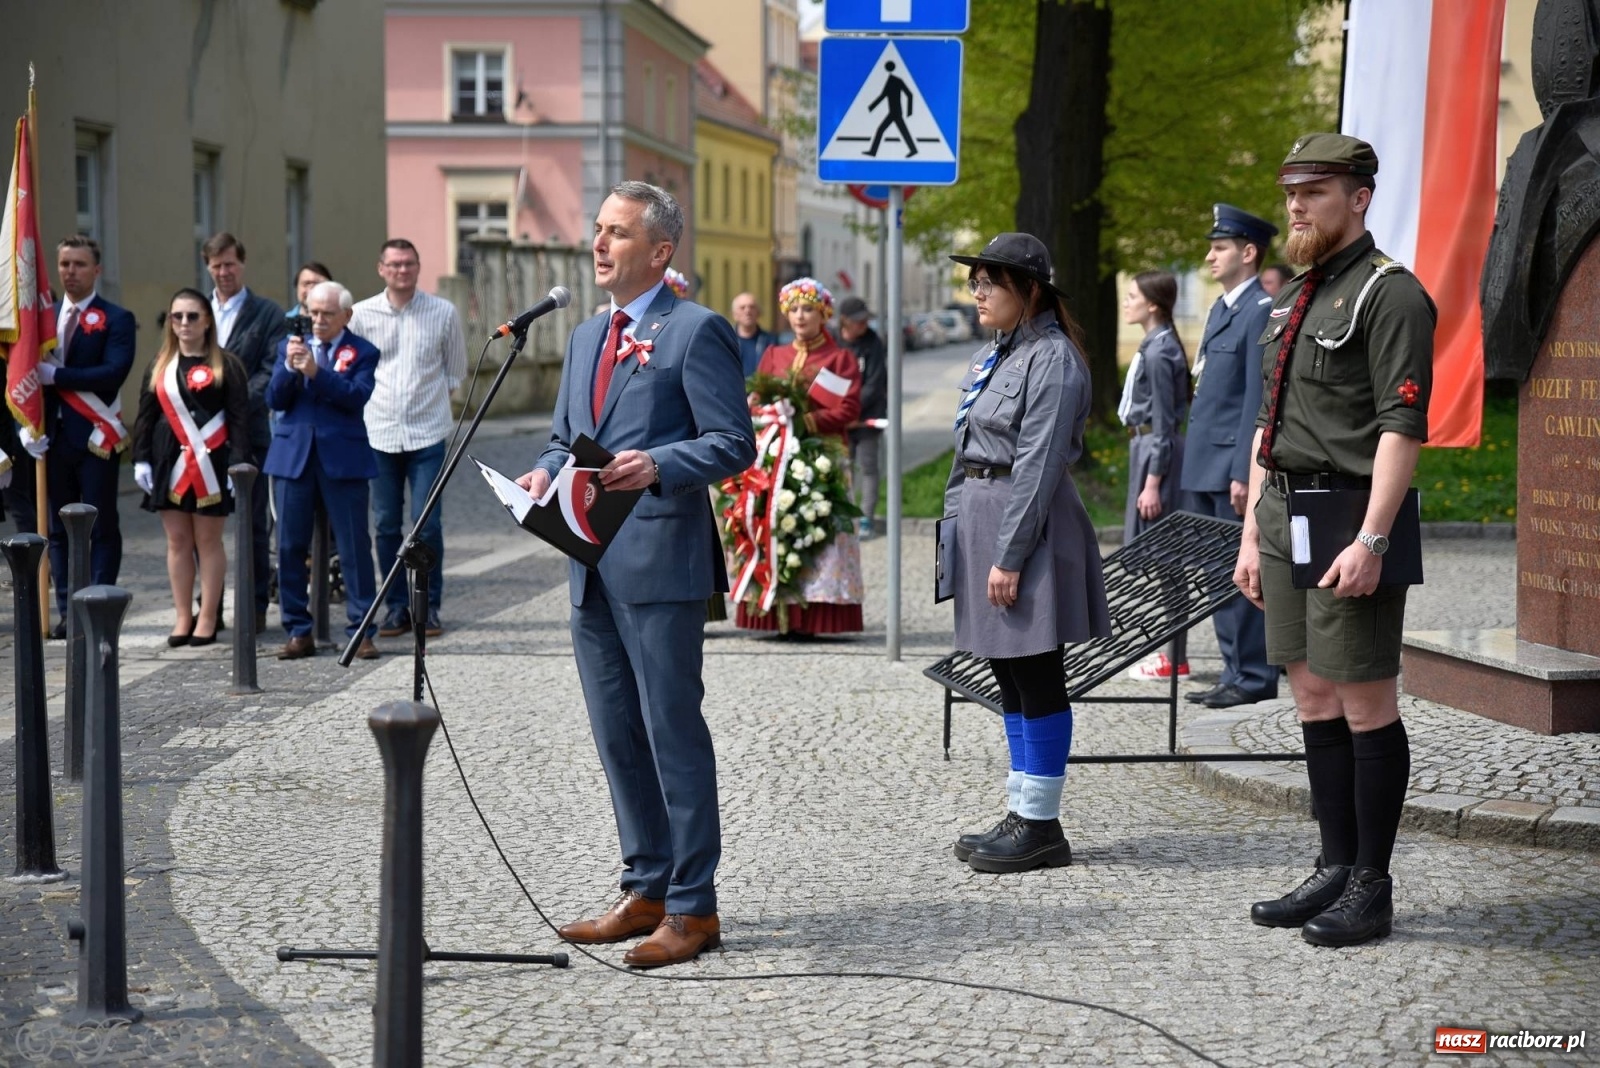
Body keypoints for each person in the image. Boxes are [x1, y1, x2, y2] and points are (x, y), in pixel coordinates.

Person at [514, 181, 755, 968]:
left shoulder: (694, 331)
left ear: (659, 251)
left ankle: (694, 908)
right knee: (616, 735)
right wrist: (541, 475)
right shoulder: (585, 336)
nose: (598, 243)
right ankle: (644, 886)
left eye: (616, 232)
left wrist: (656, 463)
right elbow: (564, 438)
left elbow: (730, 443)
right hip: (588, 562)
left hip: (660, 562)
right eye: (597, 229)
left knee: (670, 733)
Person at [1236, 134, 1436, 947]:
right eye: (1290, 193)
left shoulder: (1391, 295)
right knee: (1312, 695)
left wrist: (1375, 539)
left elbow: (1402, 427)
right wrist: (1250, 533)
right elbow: (1266, 422)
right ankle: (1332, 865)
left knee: (1363, 701)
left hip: (1350, 517)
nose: (1296, 206)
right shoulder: (1292, 297)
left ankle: (1371, 885)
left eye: (1314, 192)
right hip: (1285, 516)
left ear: (1358, 197)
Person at [943, 233, 1111, 874]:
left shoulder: (1053, 360)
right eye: (975, 281)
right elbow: (967, 451)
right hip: (987, 521)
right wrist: (957, 536)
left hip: (1028, 529)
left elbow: (1039, 465)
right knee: (1006, 672)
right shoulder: (998, 354)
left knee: (1037, 672)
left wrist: (1009, 556)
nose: (978, 292)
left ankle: (1042, 824)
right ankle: (1022, 808)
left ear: (1030, 290)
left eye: (991, 281)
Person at [1180, 205, 1281, 709]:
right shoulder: (1223, 309)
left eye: (1219, 248)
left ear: (1248, 252)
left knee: (1242, 571)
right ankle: (1232, 669)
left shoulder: (1260, 310)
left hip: (1229, 468)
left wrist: (1246, 470)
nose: (1210, 255)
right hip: (1204, 462)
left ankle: (1255, 675)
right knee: (1217, 571)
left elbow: (1254, 402)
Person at [350, 238, 468, 640]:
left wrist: (427, 405)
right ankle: (396, 606)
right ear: (381, 268)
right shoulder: (361, 314)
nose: (402, 271)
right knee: (384, 526)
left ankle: (429, 606)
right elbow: (351, 369)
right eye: (395, 265)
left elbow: (454, 372)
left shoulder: (443, 312)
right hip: (378, 431)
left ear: (418, 268)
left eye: (409, 264)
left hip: (427, 433)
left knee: (426, 524)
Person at [736, 277, 864, 636]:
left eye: (807, 309)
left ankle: (816, 614)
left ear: (824, 314)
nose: (800, 316)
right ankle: (777, 611)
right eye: (793, 310)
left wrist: (806, 420)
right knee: (775, 530)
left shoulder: (839, 359)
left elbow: (848, 408)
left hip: (823, 457)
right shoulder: (775, 355)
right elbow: (758, 399)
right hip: (776, 456)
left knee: (821, 535)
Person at [263, 281, 381, 662]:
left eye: (327, 314)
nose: (318, 320)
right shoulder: (288, 347)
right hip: (293, 456)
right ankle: (298, 629)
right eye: (312, 313)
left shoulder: (363, 351)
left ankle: (361, 629)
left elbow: (354, 397)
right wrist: (289, 368)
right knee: (289, 546)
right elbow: (274, 398)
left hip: (342, 457)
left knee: (353, 547)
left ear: (346, 315)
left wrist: (316, 372)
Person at [130, 290, 250, 646]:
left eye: (192, 316)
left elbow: (241, 419)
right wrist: (139, 459)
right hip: (170, 461)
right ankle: (183, 616)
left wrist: (240, 465)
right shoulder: (159, 365)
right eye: (177, 316)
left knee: (208, 541)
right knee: (178, 542)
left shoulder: (226, 364)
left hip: (213, 463)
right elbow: (146, 416)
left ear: (207, 320)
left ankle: (209, 616)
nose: (184, 323)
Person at [37, 234, 136, 637]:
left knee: (100, 525)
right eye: (64, 265)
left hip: (96, 437)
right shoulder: (42, 321)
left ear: (96, 270)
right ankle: (66, 610)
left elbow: (112, 373)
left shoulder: (116, 318)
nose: (70, 272)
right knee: (57, 529)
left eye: (79, 265)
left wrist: (58, 375)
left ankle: (98, 605)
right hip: (51, 437)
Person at [204, 233, 288, 630]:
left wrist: (229, 407)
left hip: (249, 437)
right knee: (204, 526)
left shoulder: (267, 313)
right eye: (217, 265)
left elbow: (270, 372)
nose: (224, 272)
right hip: (198, 440)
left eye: (230, 264)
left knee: (253, 526)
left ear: (242, 264)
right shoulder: (196, 311)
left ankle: (254, 608)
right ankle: (210, 607)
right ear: (207, 267)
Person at [1118, 270, 1190, 682]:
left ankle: (1174, 657)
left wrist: (1153, 482)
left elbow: (1164, 424)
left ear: (1153, 306)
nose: (1126, 302)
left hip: (1154, 455)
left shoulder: (1161, 352)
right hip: (1143, 450)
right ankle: (1172, 654)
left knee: (1168, 561)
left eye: (1132, 296)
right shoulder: (1154, 345)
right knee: (1164, 562)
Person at [837, 295, 887, 538]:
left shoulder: (872, 343)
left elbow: (875, 383)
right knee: (843, 468)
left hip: (867, 416)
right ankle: (844, 515)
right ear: (844, 321)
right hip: (840, 420)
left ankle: (866, 517)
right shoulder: (835, 343)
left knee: (868, 468)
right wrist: (840, 413)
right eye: (858, 321)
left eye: (866, 319)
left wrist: (853, 412)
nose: (864, 324)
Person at [730, 292, 775, 378]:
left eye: (752, 307)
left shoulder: (770, 341)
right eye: (742, 308)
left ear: (758, 313)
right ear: (734, 315)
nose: (748, 311)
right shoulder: (727, 340)